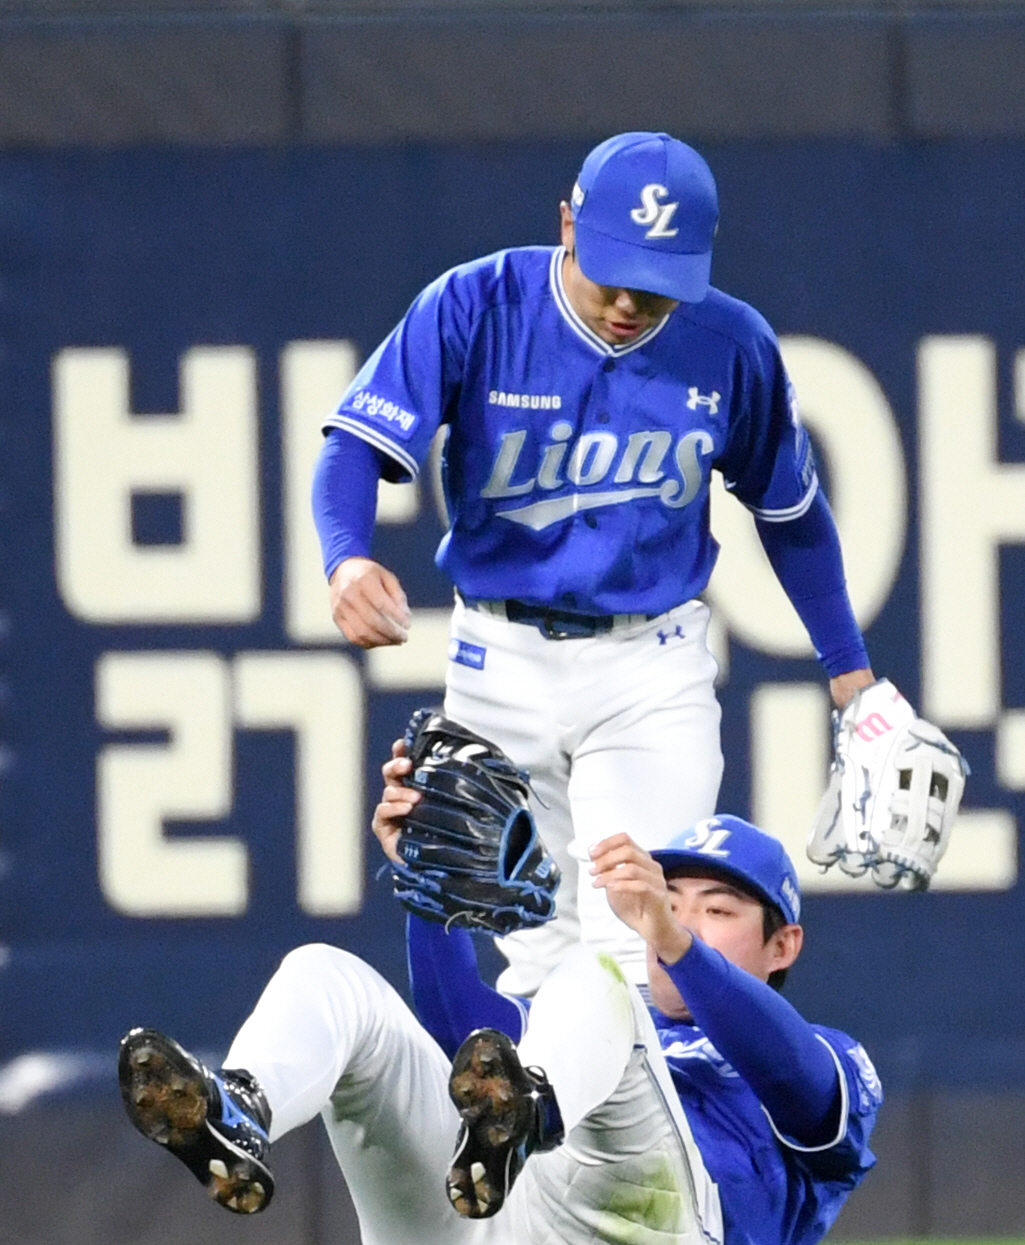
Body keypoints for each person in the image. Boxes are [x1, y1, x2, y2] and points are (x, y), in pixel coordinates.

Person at [312, 131, 875, 995]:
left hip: (650, 666)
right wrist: (346, 560)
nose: (627, 303)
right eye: (612, 272)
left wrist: (851, 673)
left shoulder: (730, 344)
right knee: (533, 950)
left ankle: (631, 1086)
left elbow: (791, 516)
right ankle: (538, 1090)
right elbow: (354, 445)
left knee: (630, 940)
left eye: (656, 285)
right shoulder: (478, 304)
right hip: (497, 657)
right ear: (567, 224)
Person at [118, 754, 881, 1245]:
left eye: (717, 909)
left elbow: (788, 1071)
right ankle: (239, 1112)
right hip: (479, 1229)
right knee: (326, 972)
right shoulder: (600, 1026)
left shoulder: (831, 1056)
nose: (680, 919)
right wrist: (428, 880)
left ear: (783, 945)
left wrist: (674, 941)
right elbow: (459, 1025)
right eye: (671, 899)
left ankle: (526, 1118)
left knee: (595, 976)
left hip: (647, 1240)